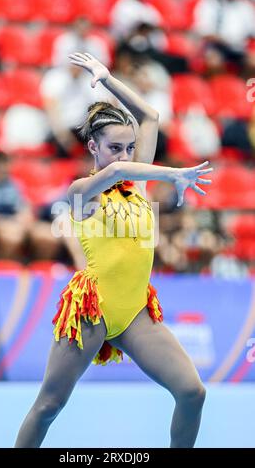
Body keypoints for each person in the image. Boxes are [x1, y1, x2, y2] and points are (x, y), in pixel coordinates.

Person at [14, 52, 213, 448]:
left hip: (135, 310)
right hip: (93, 310)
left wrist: (106, 79)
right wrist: (172, 173)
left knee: (193, 392)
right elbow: (119, 172)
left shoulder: (135, 187)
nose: (123, 156)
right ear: (93, 147)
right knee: (48, 406)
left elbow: (152, 117)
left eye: (129, 148)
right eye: (114, 147)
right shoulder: (80, 192)